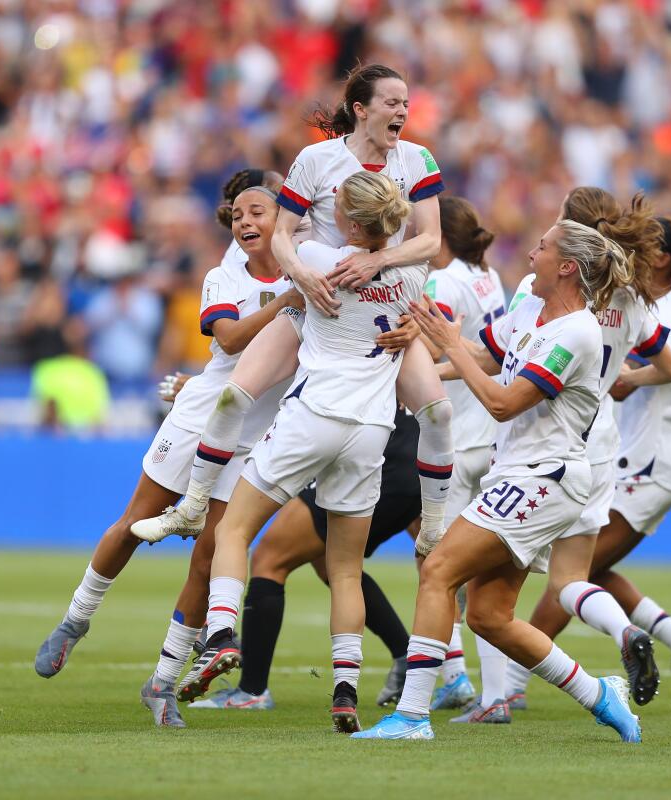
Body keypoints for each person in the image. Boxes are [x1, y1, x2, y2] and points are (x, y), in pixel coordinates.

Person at [133, 64, 454, 556]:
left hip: (382, 311)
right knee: (233, 397)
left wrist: (380, 262)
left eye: (406, 103)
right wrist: (302, 280)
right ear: (361, 110)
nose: (403, 111)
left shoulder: (417, 159)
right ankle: (195, 502)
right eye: (392, 102)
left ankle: (433, 528)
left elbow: (430, 239)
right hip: (316, 304)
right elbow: (283, 235)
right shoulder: (317, 159)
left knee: (437, 411)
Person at [352, 220, 641, 743]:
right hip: (518, 474)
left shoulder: (579, 333)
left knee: (438, 567)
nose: (532, 251)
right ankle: (601, 694)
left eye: (543, 246)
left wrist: (447, 344)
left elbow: (504, 403)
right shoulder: (531, 301)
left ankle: (413, 716)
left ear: (568, 266)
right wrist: (413, 362)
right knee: (488, 616)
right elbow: (486, 355)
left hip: (545, 477)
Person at [32, 176, 299, 730]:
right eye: (238, 216)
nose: (246, 223)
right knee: (135, 521)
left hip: (254, 437)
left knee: (209, 557)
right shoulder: (224, 277)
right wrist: (293, 299)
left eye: (259, 213)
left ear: (287, 221)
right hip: (202, 414)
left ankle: (162, 683)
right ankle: (74, 621)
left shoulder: (313, 267)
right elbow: (227, 340)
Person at [177, 171, 426, 734]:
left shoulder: (314, 256)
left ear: (351, 222)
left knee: (234, 530)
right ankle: (344, 691)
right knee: (344, 570)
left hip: (311, 417)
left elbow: (284, 233)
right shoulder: (413, 273)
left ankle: (219, 634)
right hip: (370, 433)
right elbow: (417, 258)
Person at [468, 187, 671, 720]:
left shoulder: (549, 296)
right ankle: (622, 628)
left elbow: (500, 359)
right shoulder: (629, 296)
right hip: (599, 445)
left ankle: (494, 696)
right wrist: (626, 380)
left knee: (478, 575)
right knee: (569, 579)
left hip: (542, 441)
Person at [515, 215, 671, 708]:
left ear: (662, 258)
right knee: (586, 566)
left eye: (643, 241)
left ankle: (512, 684)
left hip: (654, 461)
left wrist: (627, 379)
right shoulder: (639, 301)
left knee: (573, 575)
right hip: (638, 456)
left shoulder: (665, 310)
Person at [190, 406, 422, 712]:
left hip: (362, 445)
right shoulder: (402, 356)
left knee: (270, 559)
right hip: (413, 458)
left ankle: (252, 690)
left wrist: (206, 393)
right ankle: (405, 657)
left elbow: (279, 375)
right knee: (334, 563)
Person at [420, 196, 507, 711]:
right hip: (492, 435)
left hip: (455, 438)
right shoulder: (486, 275)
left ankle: (448, 678)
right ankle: (490, 691)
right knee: (482, 574)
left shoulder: (443, 282)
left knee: (439, 565)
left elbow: (431, 346)